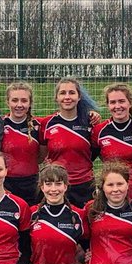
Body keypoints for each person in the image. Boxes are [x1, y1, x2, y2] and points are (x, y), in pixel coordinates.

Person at [39, 77, 98, 206]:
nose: (67, 97)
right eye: (62, 93)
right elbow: (41, 156)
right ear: (56, 98)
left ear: (79, 96)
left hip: (84, 185)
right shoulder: (47, 124)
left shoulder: (90, 122)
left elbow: (94, 152)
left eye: (71, 93)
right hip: (57, 184)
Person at [93, 82, 132, 203]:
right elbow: (89, 157)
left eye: (121, 101)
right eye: (113, 102)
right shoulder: (99, 131)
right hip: (112, 194)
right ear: (108, 105)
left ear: (129, 103)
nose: (117, 106)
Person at [1, 81, 45, 205]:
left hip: (32, 185)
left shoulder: (39, 125)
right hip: (5, 184)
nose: (19, 105)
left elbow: (41, 157)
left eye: (24, 101)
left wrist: (91, 115)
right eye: (14, 100)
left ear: (30, 103)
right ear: (7, 101)